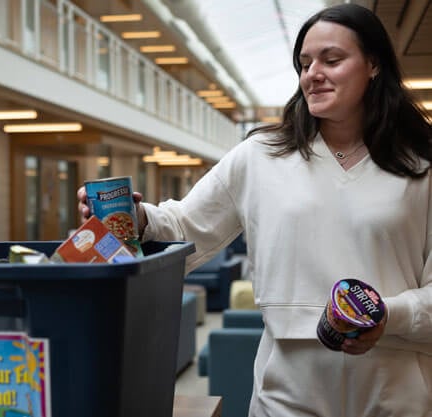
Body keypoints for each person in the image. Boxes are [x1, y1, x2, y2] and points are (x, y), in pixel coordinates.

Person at [79, 4, 432, 416]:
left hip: (396, 390)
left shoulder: (421, 164)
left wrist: (388, 315)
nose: (313, 73)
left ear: (373, 64)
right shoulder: (261, 156)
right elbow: (184, 225)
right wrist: (136, 219)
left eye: (332, 60)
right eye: (304, 63)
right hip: (289, 391)